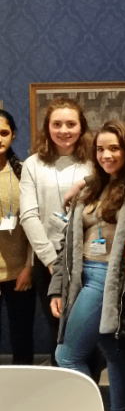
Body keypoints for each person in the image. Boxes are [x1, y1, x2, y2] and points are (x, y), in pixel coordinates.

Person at [49, 121, 125, 411]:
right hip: (81, 275)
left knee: (66, 355)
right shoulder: (94, 187)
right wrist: (57, 287)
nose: (107, 155)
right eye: (100, 149)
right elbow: (68, 243)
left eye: (114, 148)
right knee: (112, 351)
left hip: (106, 280)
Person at [19, 97, 94, 364]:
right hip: (49, 261)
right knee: (58, 332)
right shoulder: (33, 164)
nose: (64, 130)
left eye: (71, 124)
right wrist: (51, 260)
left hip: (90, 259)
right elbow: (28, 215)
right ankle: (64, 396)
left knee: (90, 332)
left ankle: (90, 393)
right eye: (57, 124)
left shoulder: (95, 161)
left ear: (82, 127)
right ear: (47, 128)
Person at [0, 109, 35, 364]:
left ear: (13, 136)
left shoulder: (24, 173)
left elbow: (35, 225)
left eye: (3, 133)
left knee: (22, 337)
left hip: (19, 271)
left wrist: (29, 266)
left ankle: (23, 392)